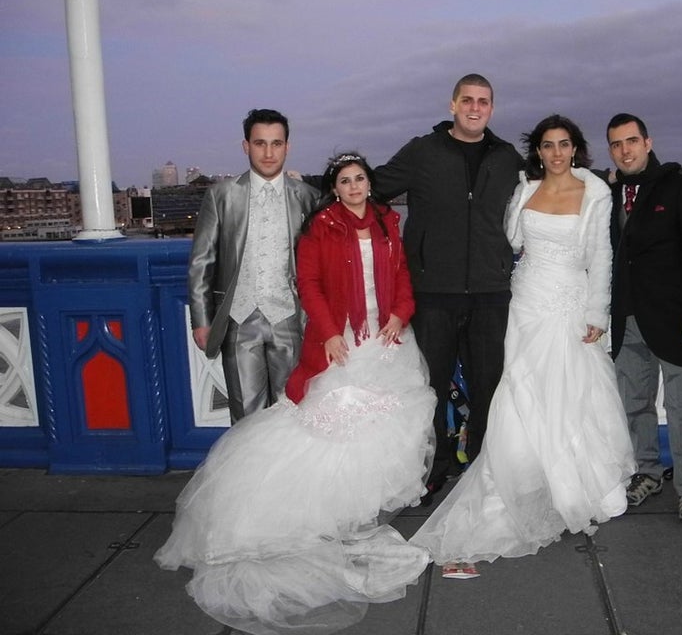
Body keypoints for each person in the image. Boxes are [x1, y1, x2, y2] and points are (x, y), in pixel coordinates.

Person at [156, 153, 436, 634]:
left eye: (360, 179)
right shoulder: (320, 227)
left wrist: (400, 313)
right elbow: (307, 284)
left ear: (370, 184)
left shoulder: (390, 222)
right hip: (342, 342)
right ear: (335, 187)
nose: (353, 187)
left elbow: (404, 275)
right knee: (328, 432)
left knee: (379, 431)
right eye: (344, 181)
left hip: (386, 341)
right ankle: (305, 514)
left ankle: (356, 515)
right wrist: (329, 334)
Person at [411, 115, 635, 574]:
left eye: (564, 144)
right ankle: (522, 479)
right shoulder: (523, 189)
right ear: (538, 151)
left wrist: (597, 312)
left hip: (571, 306)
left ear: (576, 149)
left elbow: (602, 258)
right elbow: (510, 239)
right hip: (526, 301)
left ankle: (572, 486)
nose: (556, 153)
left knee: (570, 393)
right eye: (548, 146)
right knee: (520, 391)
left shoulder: (594, 193)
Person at [375, 73, 524, 497]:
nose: (475, 108)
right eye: (467, 100)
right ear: (452, 105)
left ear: (491, 108)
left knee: (488, 385)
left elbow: (547, 191)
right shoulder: (423, 151)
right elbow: (374, 189)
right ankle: (434, 465)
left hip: (490, 293)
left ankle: (481, 465)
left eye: (483, 101)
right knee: (430, 387)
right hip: (433, 291)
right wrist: (319, 185)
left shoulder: (507, 157)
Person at [604, 113, 682, 524]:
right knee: (634, 405)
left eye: (631, 141)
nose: (625, 150)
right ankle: (646, 474)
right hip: (626, 317)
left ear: (648, 143)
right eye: (616, 144)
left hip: (673, 318)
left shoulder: (678, 186)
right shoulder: (607, 192)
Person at [187, 108, 321, 423]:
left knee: (293, 411)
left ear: (288, 146)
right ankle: (248, 474)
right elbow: (201, 261)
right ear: (246, 146)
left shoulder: (308, 196)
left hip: (290, 318)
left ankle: (288, 474)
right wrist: (201, 320)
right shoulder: (221, 195)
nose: (269, 152)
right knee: (245, 415)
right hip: (238, 319)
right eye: (260, 143)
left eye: (276, 143)